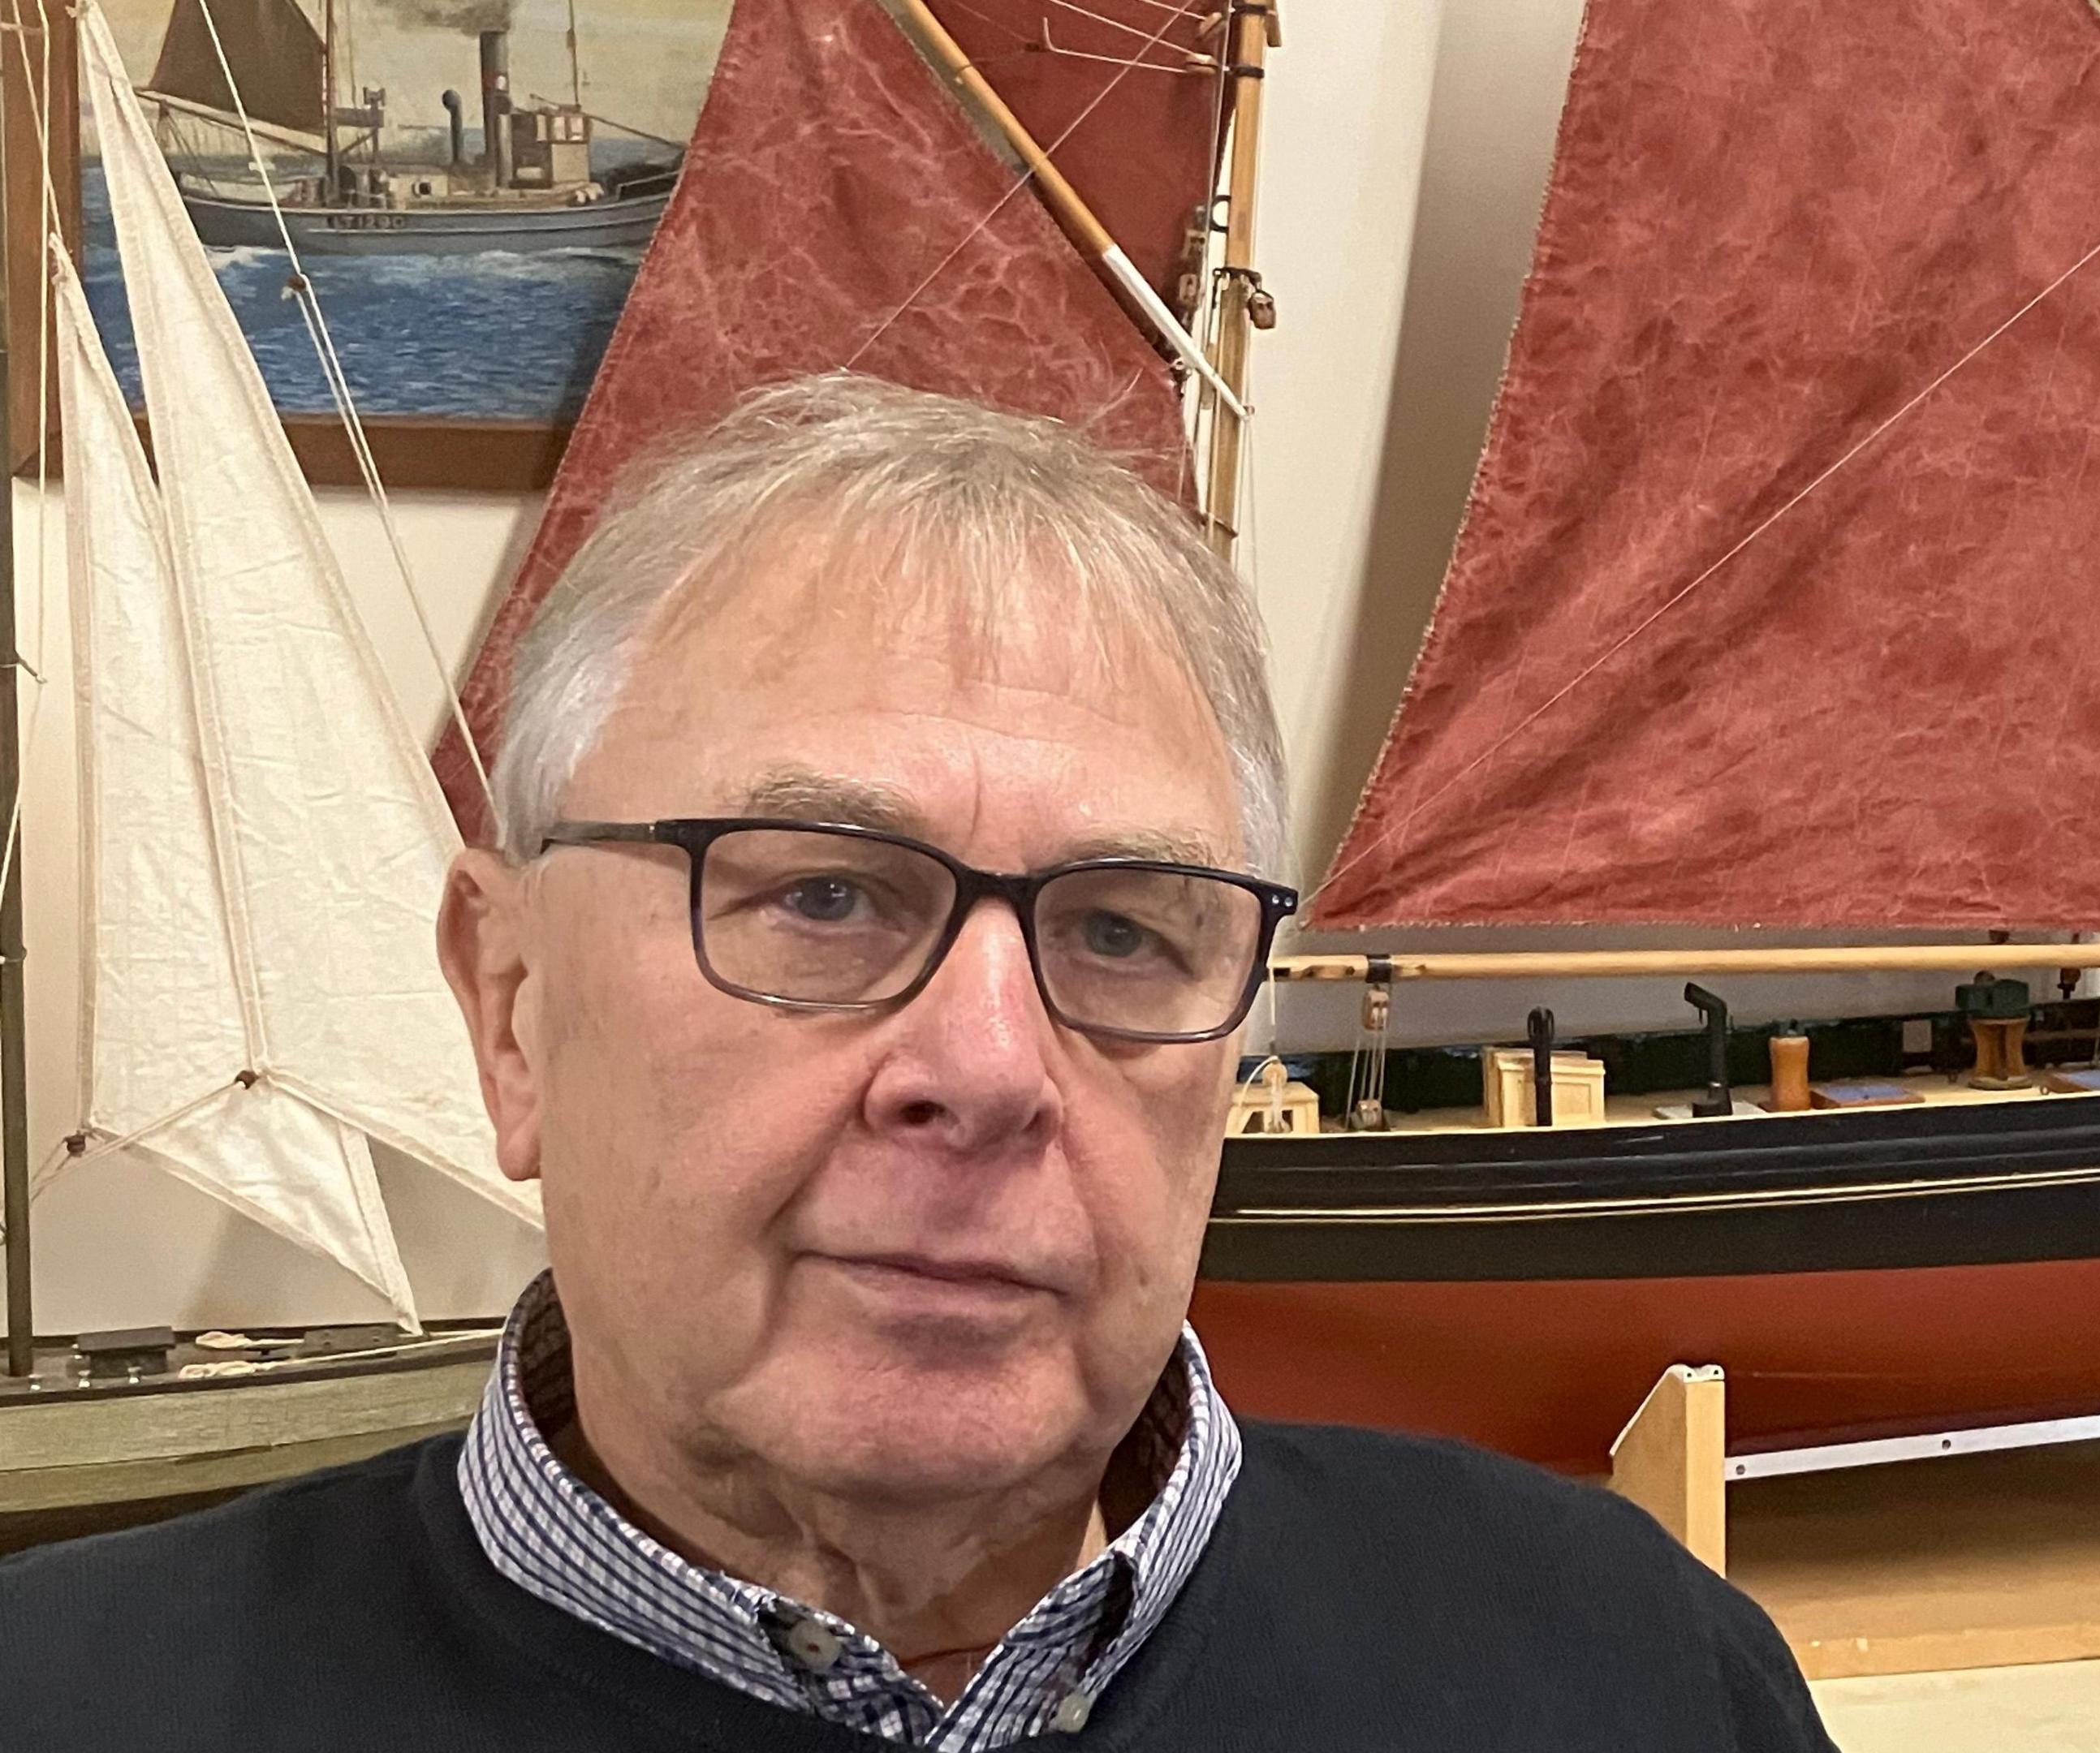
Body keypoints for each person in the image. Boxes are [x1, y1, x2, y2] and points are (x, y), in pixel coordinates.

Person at [0, 374, 1837, 1751]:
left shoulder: (1636, 1678)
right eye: (818, 897)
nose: (987, 1065)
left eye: (1125, 929)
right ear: (509, 1006)